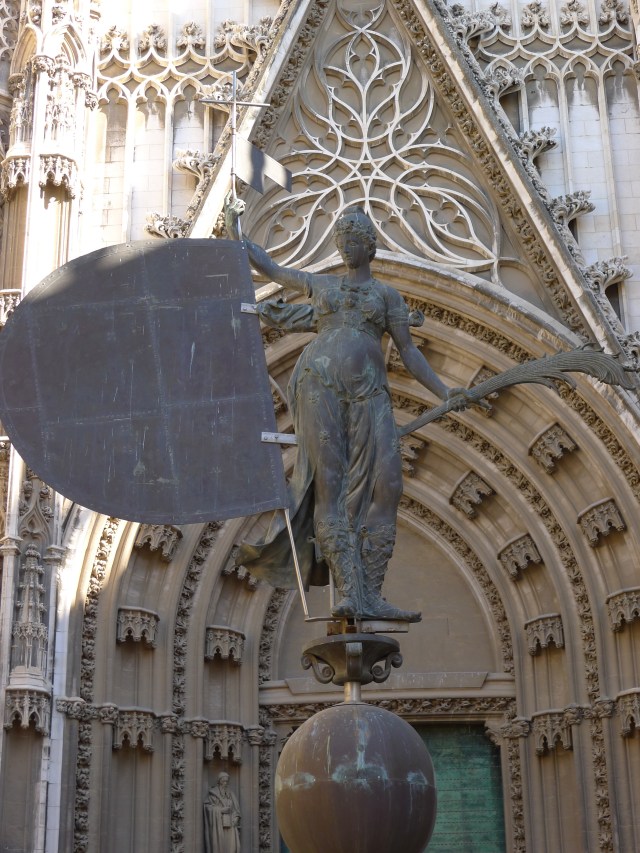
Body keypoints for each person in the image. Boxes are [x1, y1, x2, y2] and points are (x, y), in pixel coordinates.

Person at [227, 200, 470, 621]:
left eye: (354, 239)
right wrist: (236, 228)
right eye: (342, 240)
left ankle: (370, 593)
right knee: (330, 486)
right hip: (318, 384)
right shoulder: (323, 286)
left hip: (370, 392)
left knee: (388, 484)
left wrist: (445, 391)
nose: (346, 247)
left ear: (370, 246)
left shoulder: (386, 295)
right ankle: (349, 593)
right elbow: (270, 269)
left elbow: (409, 351)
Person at [203, 772, 241, 853]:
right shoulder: (213, 794)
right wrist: (220, 810)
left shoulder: (231, 794)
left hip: (231, 824)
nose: (225, 783)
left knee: (233, 846)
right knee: (219, 845)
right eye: (224, 781)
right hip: (218, 825)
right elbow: (207, 808)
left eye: (227, 781)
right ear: (219, 781)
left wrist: (236, 818)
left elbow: (236, 809)